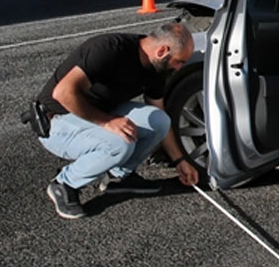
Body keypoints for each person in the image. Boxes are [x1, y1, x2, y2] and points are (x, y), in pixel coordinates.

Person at [35, 21, 199, 219]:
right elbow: (63, 93)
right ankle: (64, 183)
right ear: (162, 51)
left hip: (97, 113)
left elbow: (158, 110)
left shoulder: (157, 68)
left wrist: (180, 160)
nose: (179, 67)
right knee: (121, 142)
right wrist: (107, 122)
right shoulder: (110, 49)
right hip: (57, 121)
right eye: (179, 61)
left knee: (159, 120)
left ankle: (119, 177)